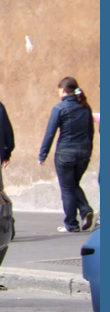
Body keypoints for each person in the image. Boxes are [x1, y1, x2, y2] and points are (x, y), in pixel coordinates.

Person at [39, 76, 95, 233]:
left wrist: (42, 155)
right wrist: (88, 150)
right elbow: (90, 132)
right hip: (83, 152)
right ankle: (85, 210)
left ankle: (72, 223)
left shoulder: (59, 108)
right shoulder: (85, 107)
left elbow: (50, 133)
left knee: (67, 188)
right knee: (73, 185)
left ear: (63, 90)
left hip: (65, 153)